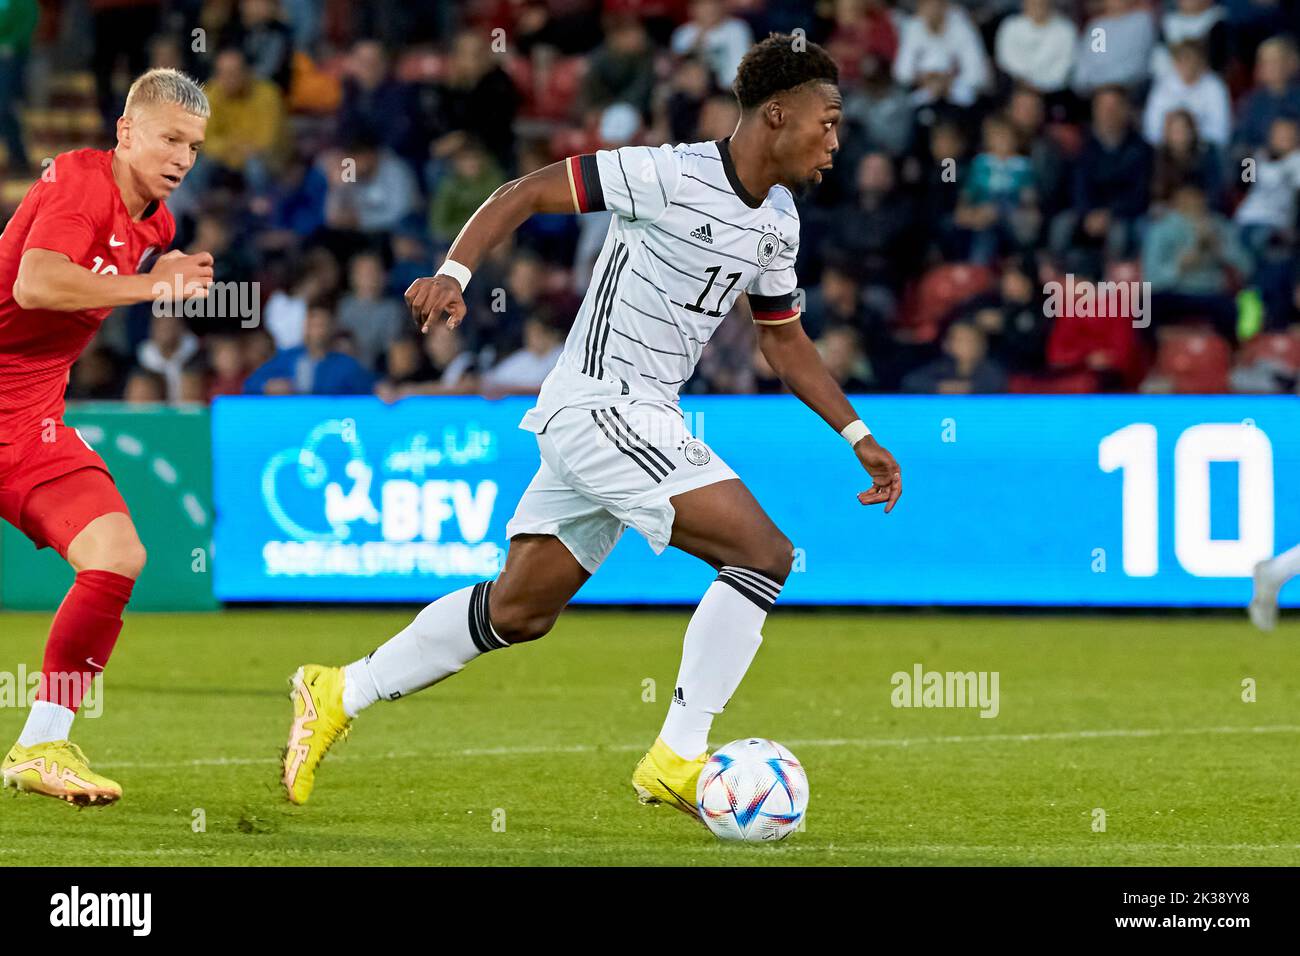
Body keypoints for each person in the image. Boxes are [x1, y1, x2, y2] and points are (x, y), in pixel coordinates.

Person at [280, 35, 903, 818]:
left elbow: (782, 337)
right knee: (764, 554)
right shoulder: (667, 173)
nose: (836, 142)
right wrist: (455, 272)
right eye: (830, 121)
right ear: (777, 114)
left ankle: (339, 690)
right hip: (602, 405)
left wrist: (856, 435)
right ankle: (678, 757)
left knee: (519, 610)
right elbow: (528, 190)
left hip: (633, 416)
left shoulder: (779, 222)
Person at [0, 68, 213, 806]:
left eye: (193, 145)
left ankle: (41, 745)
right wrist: (156, 285)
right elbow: (36, 284)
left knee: (117, 553)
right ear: (125, 133)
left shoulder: (157, 223)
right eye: (169, 138)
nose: (183, 157)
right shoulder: (82, 183)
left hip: (29, 420)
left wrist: (162, 269)